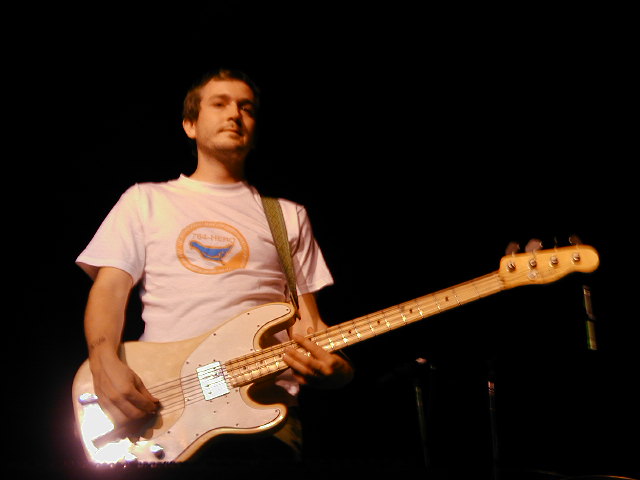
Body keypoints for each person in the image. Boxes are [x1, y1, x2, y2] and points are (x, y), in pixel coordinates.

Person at [76, 68, 353, 465]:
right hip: (167, 407)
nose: (235, 114)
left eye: (246, 108)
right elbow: (109, 291)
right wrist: (104, 365)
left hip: (266, 414)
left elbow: (307, 326)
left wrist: (339, 370)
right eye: (220, 104)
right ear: (190, 124)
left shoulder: (287, 216)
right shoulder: (145, 200)